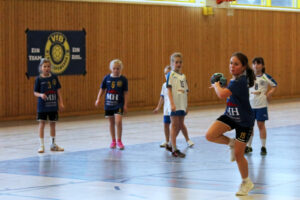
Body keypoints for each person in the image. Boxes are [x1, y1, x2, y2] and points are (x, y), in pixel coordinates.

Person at [205, 52, 255, 196]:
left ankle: (246, 182)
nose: (232, 66)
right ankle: (231, 143)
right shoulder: (235, 81)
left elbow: (221, 95)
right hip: (231, 116)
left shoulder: (239, 81)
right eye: (231, 63)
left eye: (236, 64)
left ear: (243, 67)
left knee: (239, 155)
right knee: (210, 135)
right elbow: (226, 92)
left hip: (244, 122)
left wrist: (216, 86)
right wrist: (222, 86)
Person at [153, 65, 194, 148]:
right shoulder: (164, 85)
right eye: (165, 73)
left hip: (175, 108)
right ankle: (167, 141)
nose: (166, 75)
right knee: (166, 124)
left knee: (180, 124)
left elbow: (184, 94)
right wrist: (158, 107)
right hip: (167, 109)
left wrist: (186, 106)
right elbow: (162, 97)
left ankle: (187, 139)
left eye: (168, 73)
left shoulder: (177, 84)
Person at [245, 57, 277, 155]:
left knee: (261, 125)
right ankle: (249, 146)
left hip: (261, 105)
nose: (256, 65)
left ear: (262, 66)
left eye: (258, 63)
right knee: (250, 127)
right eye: (254, 63)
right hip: (250, 106)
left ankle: (263, 147)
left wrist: (270, 93)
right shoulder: (248, 76)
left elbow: (274, 85)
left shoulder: (265, 77)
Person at [95, 59, 128, 150]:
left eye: (118, 68)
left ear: (121, 69)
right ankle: (113, 140)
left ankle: (119, 141)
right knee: (111, 122)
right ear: (111, 68)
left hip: (119, 104)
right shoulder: (106, 78)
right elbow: (102, 89)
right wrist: (98, 99)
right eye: (114, 68)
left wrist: (125, 105)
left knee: (118, 121)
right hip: (109, 104)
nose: (116, 70)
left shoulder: (123, 79)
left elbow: (125, 92)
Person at [34, 58, 65, 153]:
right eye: (44, 66)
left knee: (53, 124)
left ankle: (53, 144)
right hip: (42, 106)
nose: (47, 68)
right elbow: (35, 92)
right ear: (41, 68)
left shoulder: (54, 78)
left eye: (48, 66)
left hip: (52, 105)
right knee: (42, 124)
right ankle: (41, 145)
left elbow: (58, 90)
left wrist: (61, 102)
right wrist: (40, 95)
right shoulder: (38, 79)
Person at [166, 52, 191, 158]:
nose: (178, 64)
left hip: (182, 104)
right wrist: (172, 103)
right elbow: (169, 90)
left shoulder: (183, 76)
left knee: (180, 125)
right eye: (176, 62)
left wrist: (186, 105)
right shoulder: (170, 74)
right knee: (174, 125)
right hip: (175, 104)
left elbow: (186, 91)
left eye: (180, 62)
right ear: (172, 63)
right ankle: (174, 149)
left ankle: (170, 144)